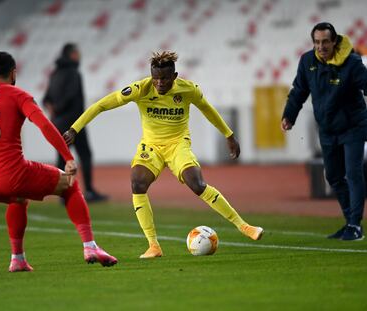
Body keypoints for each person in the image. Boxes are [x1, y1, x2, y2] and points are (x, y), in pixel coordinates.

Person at [64, 51, 264, 259]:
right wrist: (74, 129)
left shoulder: (188, 90)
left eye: (165, 78)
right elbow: (101, 105)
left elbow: (207, 109)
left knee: (197, 184)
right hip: (151, 147)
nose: (159, 83)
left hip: (178, 144)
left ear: (174, 76)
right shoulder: (140, 89)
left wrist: (229, 135)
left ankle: (244, 227)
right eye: (156, 78)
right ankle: (154, 246)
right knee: (137, 184)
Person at [0, 51, 117, 272]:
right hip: (14, 173)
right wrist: (68, 158)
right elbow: (45, 126)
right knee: (70, 184)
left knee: (18, 199)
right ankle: (90, 246)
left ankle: (17, 259)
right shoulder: (17, 95)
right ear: (13, 73)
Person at [281, 22, 367, 241]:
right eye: (317, 42)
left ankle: (356, 225)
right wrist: (289, 115)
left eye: (325, 42)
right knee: (334, 176)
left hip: (354, 126)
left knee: (354, 172)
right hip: (328, 130)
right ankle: (350, 222)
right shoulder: (307, 61)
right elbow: (299, 90)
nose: (321, 46)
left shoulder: (352, 63)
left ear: (334, 41)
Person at [43, 43, 108, 202]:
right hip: (74, 124)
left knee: (62, 158)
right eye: (77, 53)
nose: (79, 55)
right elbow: (71, 96)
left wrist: (54, 111)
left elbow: (46, 99)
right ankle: (90, 192)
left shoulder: (54, 74)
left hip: (57, 123)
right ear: (71, 54)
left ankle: (62, 193)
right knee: (85, 155)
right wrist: (60, 109)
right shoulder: (73, 73)